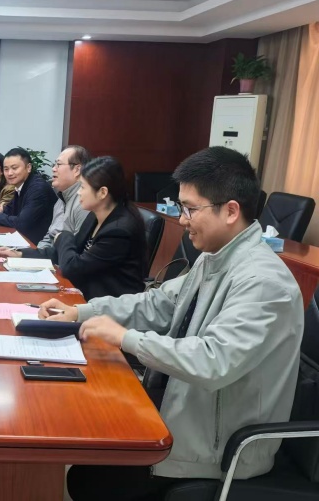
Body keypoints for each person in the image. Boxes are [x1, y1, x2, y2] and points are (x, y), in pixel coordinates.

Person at [40, 147, 303, 500]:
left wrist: (126, 338)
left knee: (91, 479)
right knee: (85, 440)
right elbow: (158, 303)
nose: (181, 220)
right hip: (183, 412)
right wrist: (83, 312)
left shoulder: (264, 282)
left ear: (230, 211)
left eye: (190, 209)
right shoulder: (214, 258)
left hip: (217, 452)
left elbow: (212, 360)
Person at [0, 156, 146, 300]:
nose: (79, 192)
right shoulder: (94, 216)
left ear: (102, 192)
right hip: (86, 293)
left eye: (83, 187)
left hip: (106, 305)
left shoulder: (118, 231)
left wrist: (64, 236)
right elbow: (64, 253)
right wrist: (19, 254)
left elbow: (72, 268)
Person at [0, 147, 56, 245]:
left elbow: (22, 224)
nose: (9, 173)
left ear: (28, 167)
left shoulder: (38, 189)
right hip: (23, 240)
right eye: (6, 169)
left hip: (38, 246)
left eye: (14, 168)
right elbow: (9, 211)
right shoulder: (20, 186)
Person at [36, 145, 91, 249]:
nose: (53, 169)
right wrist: (34, 255)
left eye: (59, 164)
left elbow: (77, 249)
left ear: (77, 170)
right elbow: (49, 237)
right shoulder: (61, 199)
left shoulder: (84, 203)